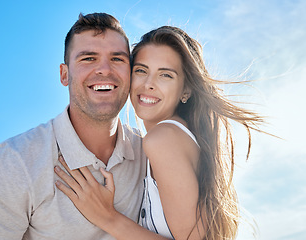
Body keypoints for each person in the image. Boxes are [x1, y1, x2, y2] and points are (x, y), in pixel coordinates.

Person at [54, 26, 266, 240]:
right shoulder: (174, 136)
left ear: (186, 90)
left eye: (165, 75)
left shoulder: (162, 140)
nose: (149, 84)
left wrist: (107, 217)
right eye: (141, 71)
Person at [0, 13, 146, 240]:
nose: (105, 69)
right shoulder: (16, 161)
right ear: (64, 75)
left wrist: (110, 218)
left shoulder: (149, 154)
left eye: (117, 59)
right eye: (88, 58)